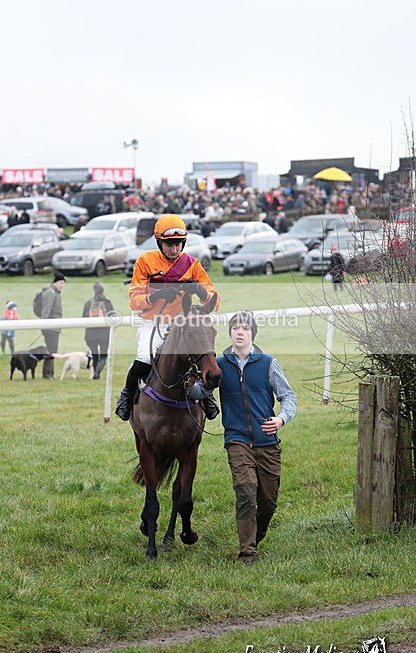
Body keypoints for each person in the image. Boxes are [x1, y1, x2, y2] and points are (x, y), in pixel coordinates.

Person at [115, 213, 220, 421]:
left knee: (200, 355)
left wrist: (200, 291)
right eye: (169, 244)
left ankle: (207, 396)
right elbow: (134, 300)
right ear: (159, 243)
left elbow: (215, 301)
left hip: (183, 324)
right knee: (145, 357)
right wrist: (156, 295)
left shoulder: (193, 264)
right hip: (154, 323)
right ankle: (127, 395)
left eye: (178, 244)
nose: (174, 249)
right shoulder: (145, 261)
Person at [217, 311, 297, 565]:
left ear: (252, 333)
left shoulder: (268, 363)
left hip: (267, 441)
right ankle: (248, 552)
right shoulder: (219, 365)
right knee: (245, 490)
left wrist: (281, 419)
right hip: (237, 439)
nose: (239, 332)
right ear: (230, 333)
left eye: (244, 328)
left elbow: (288, 396)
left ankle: (255, 535)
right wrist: (189, 385)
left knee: (268, 502)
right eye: (235, 328)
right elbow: (201, 391)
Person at [82, 282, 114, 380]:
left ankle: (96, 374)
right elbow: (113, 317)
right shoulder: (107, 303)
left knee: (94, 354)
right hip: (104, 334)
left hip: (91, 334)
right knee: (103, 355)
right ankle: (97, 373)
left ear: (94, 290)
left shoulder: (88, 303)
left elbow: (83, 318)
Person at [40, 273, 66, 379]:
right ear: (55, 282)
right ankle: (47, 373)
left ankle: (50, 372)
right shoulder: (50, 293)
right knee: (51, 350)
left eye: (63, 283)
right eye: (61, 283)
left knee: (53, 350)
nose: (62, 285)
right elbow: (46, 310)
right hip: (50, 327)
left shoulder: (55, 293)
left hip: (55, 326)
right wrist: (44, 325)